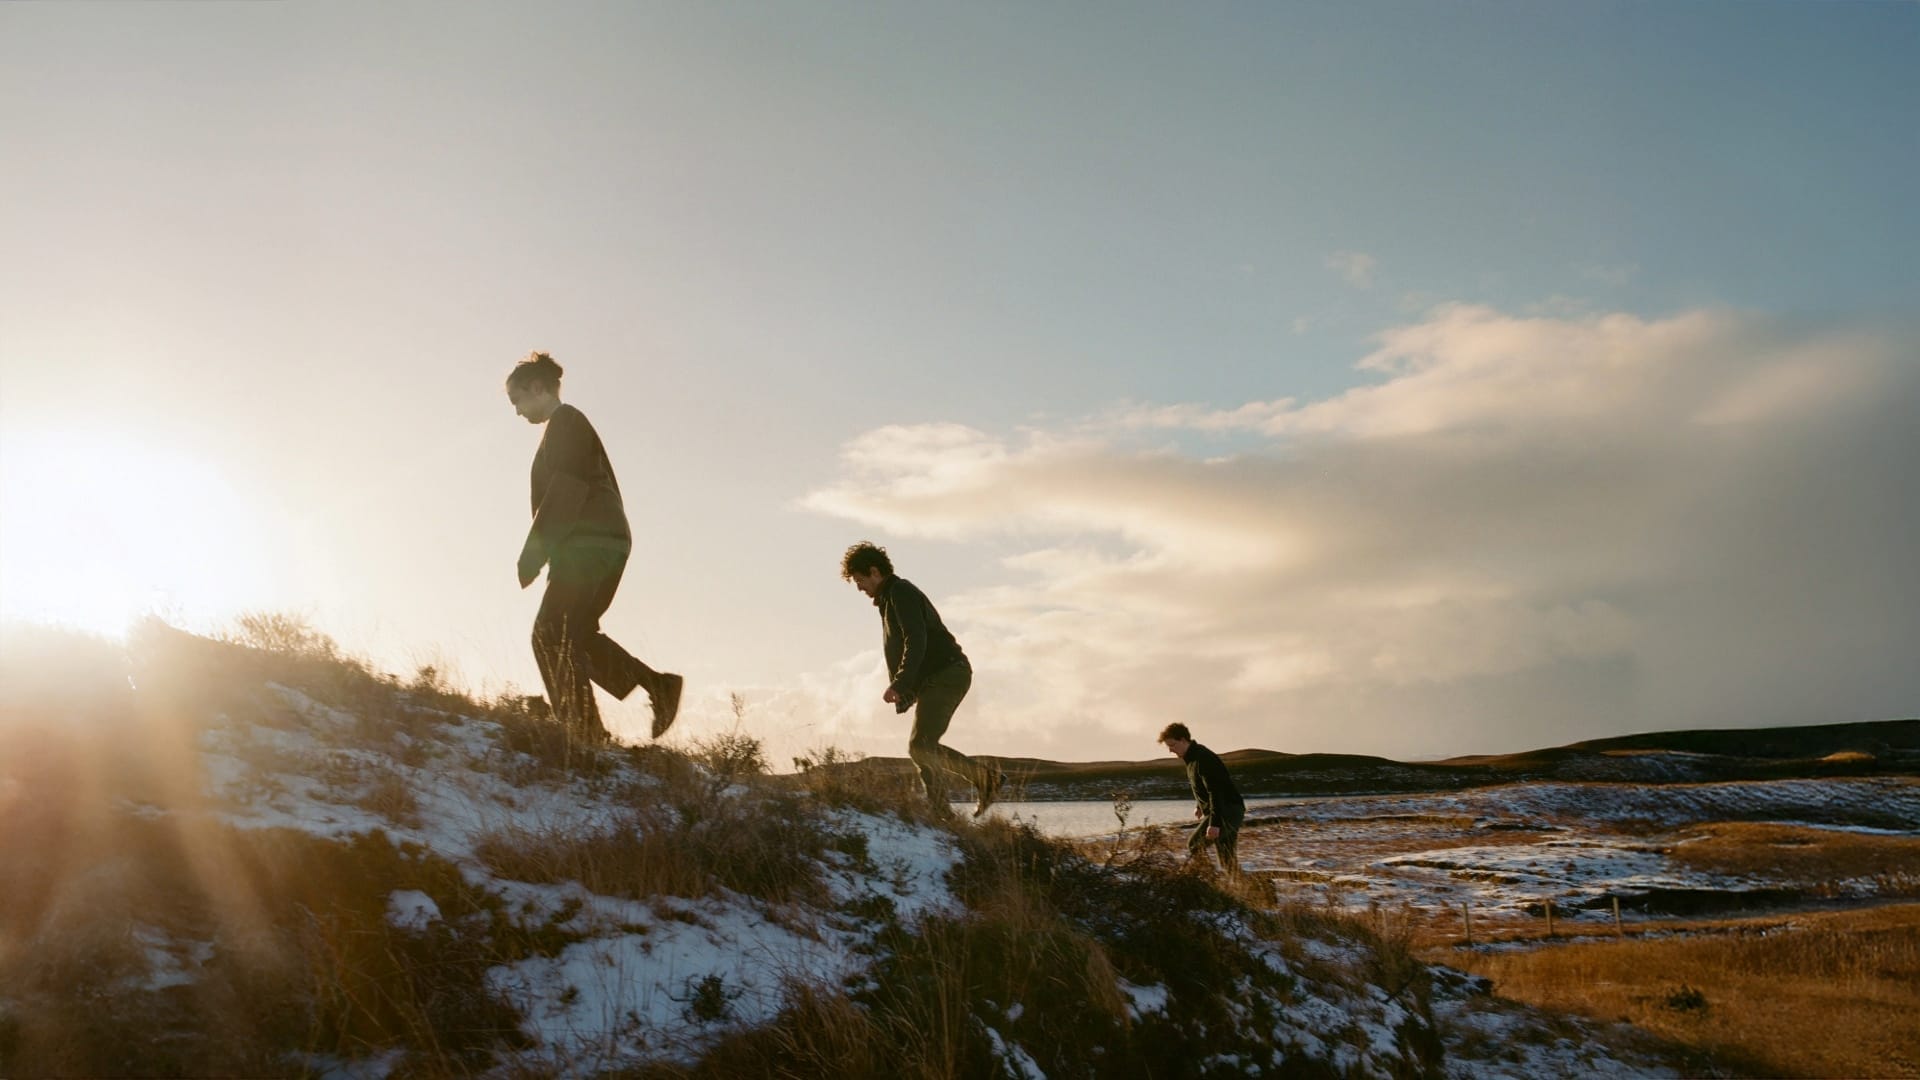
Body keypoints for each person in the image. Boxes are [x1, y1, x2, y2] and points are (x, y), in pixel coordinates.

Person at [506, 351, 682, 743]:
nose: (516, 411)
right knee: (575, 634)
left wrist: (533, 555)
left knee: (547, 634)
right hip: (605, 544)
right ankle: (658, 688)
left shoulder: (566, 421)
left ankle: (581, 734)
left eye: (516, 400)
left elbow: (567, 488)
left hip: (589, 545)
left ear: (537, 387)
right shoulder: (565, 426)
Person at [841, 541, 1004, 817]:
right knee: (922, 746)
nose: (859, 587)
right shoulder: (891, 597)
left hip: (948, 673)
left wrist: (901, 684)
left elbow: (916, 640)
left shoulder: (901, 592)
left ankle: (962, 797)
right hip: (939, 676)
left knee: (921, 746)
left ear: (874, 571)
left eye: (860, 580)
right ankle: (945, 810)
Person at [1158, 722, 1244, 876]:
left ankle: (1207, 883)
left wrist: (1215, 823)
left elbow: (1215, 790)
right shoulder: (1192, 758)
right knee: (1227, 862)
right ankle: (1257, 890)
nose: (1170, 750)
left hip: (1227, 810)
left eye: (1172, 745)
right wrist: (1199, 805)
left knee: (1194, 845)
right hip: (1230, 810)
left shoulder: (1202, 758)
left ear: (1183, 740)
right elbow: (1204, 786)